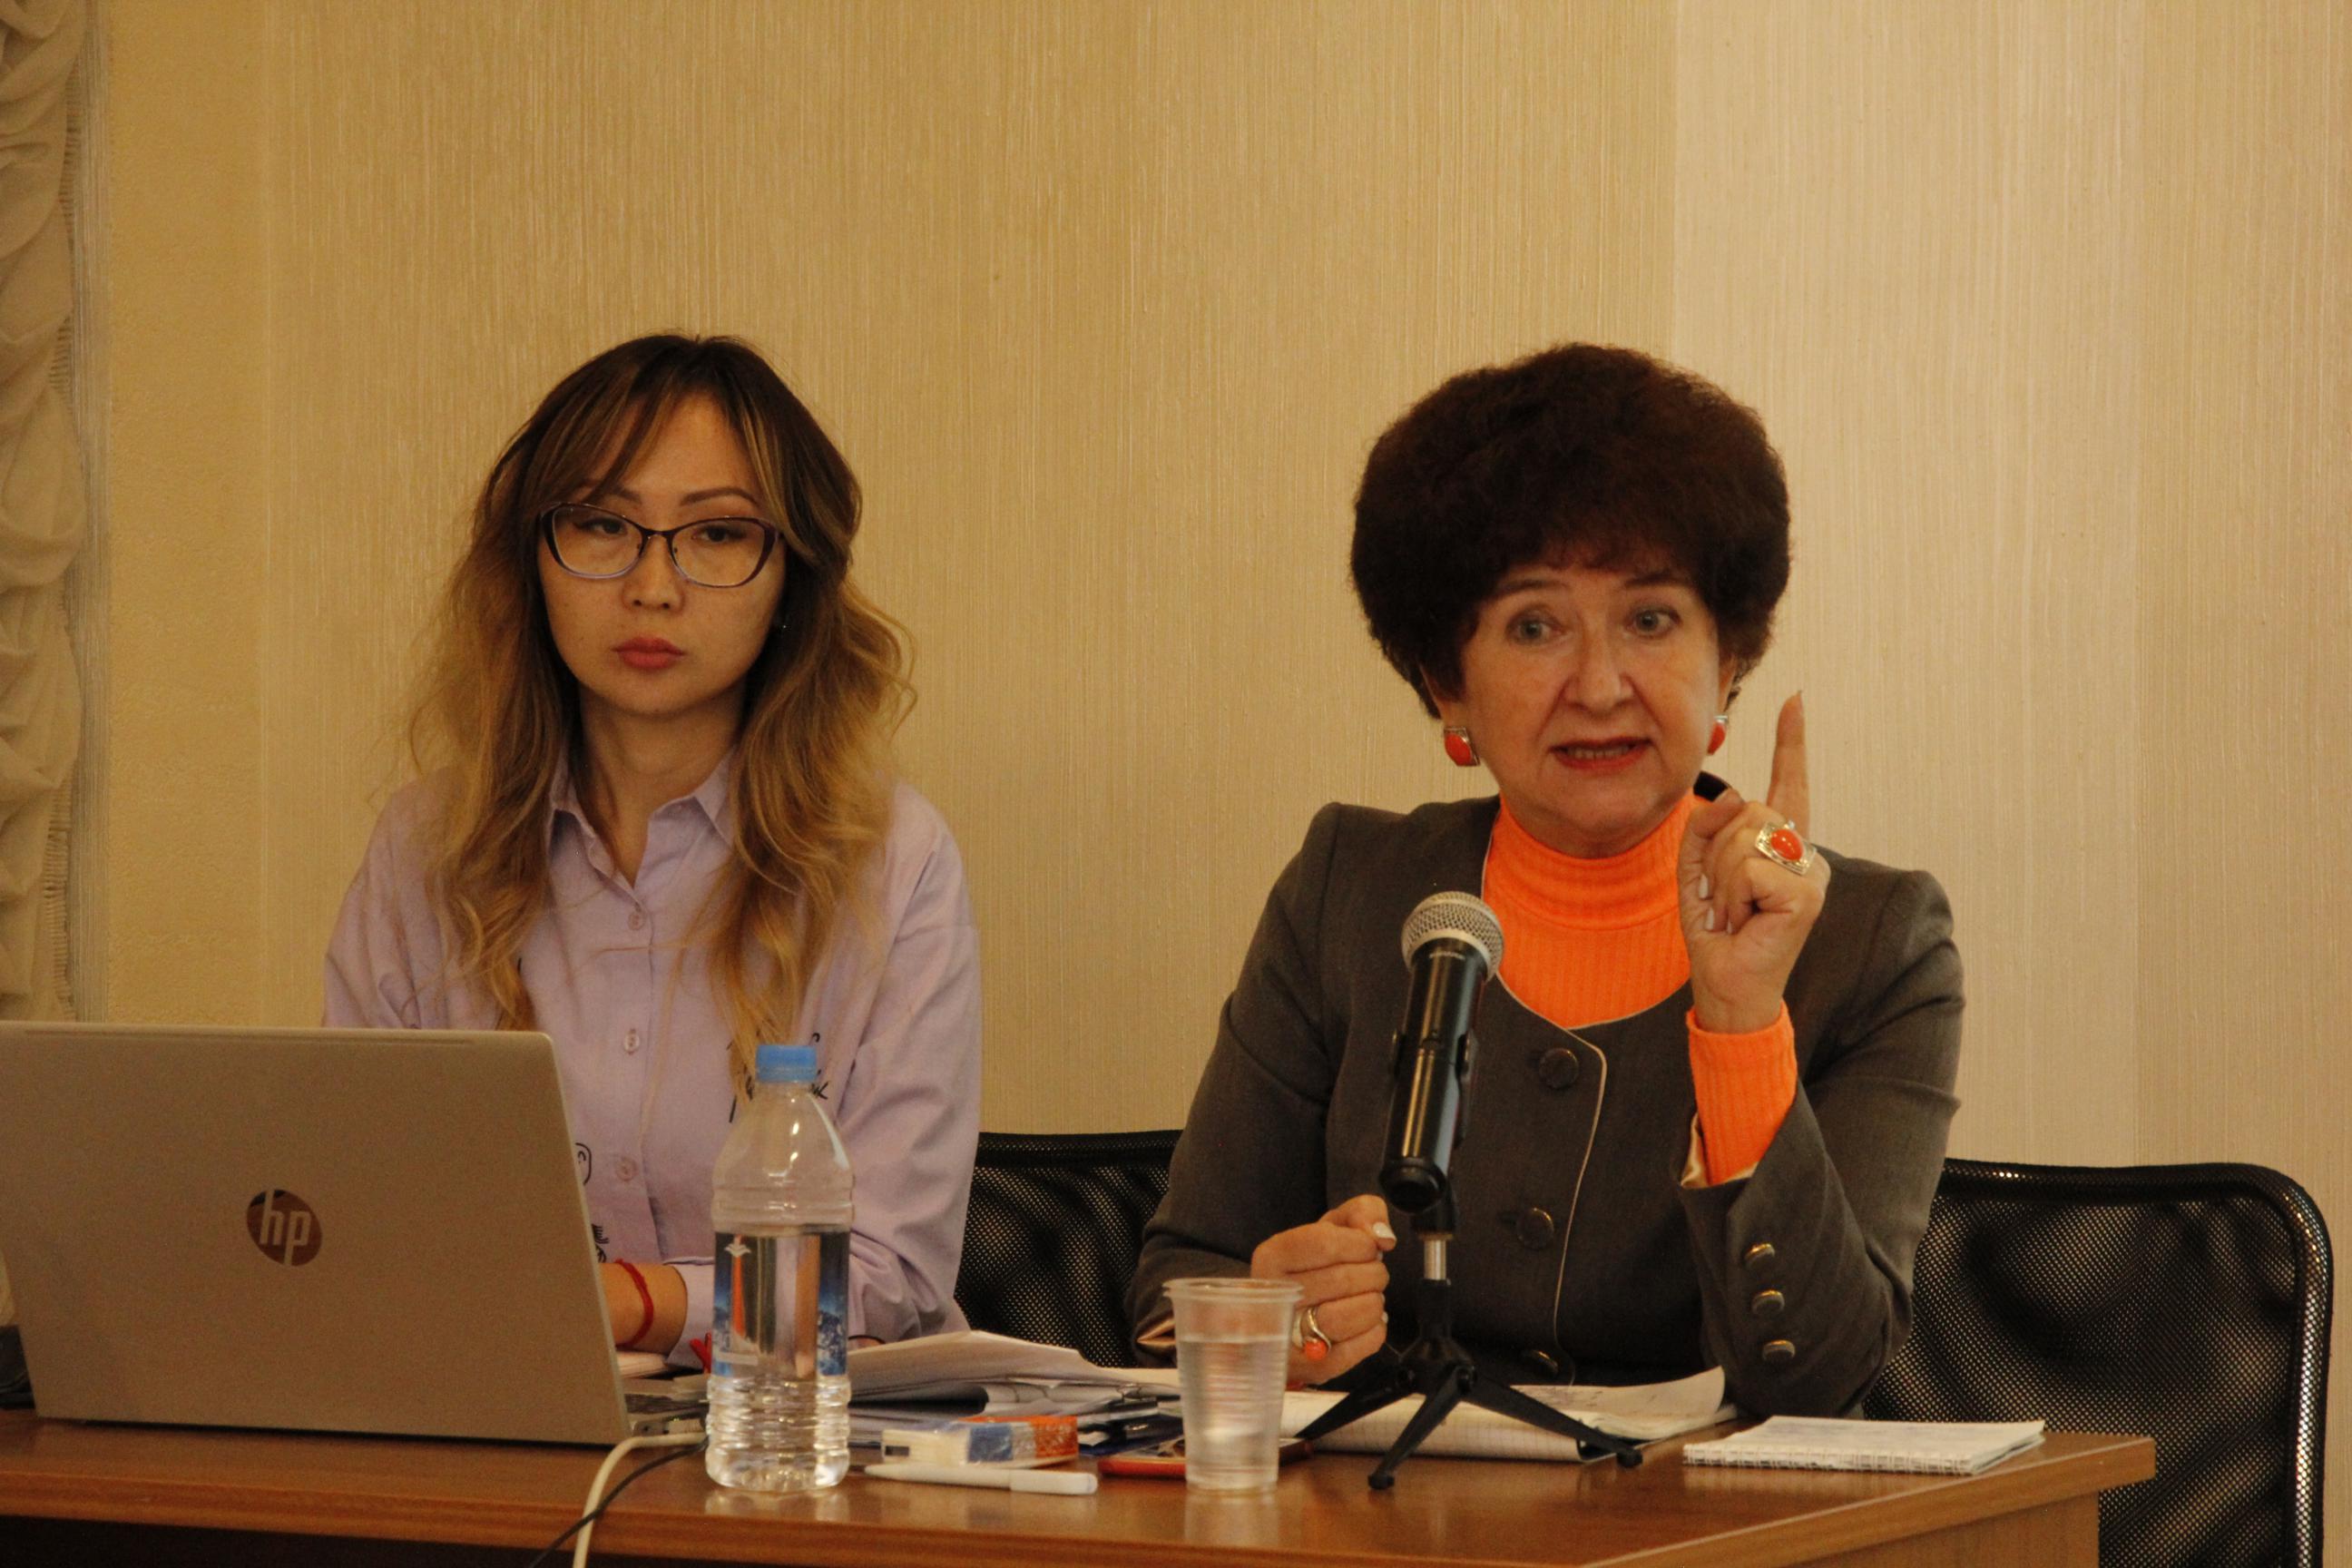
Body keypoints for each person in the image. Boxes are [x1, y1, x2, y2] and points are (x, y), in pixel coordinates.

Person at [1128, 344, 1961, 1416]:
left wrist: (1744, 1019)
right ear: (1448, 682)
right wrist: (1270, 1320)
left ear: (1730, 661)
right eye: (1535, 627)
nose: (1600, 685)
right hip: (1381, 1502)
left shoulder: (1876, 943)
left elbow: (1823, 1377)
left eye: (1650, 619)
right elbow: (1176, 1285)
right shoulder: (1351, 890)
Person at [326, 334, 980, 1364]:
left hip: (801, 1430)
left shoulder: (891, 861)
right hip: (507, 1412)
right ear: (530, 560)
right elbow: (358, 1212)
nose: (653, 587)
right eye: (601, 525)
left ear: (792, 577)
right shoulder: (427, 848)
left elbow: (886, 1274)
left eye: (716, 534)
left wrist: (630, 1301)